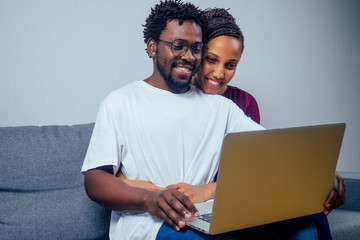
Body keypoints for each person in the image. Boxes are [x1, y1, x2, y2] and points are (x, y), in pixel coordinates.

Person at [82, 1, 317, 239]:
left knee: (303, 228)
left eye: (196, 49)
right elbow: (95, 179)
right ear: (152, 46)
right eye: (178, 46)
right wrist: (148, 198)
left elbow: (273, 150)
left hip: (206, 216)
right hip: (150, 224)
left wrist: (318, 173)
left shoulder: (222, 108)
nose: (188, 56)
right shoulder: (120, 102)